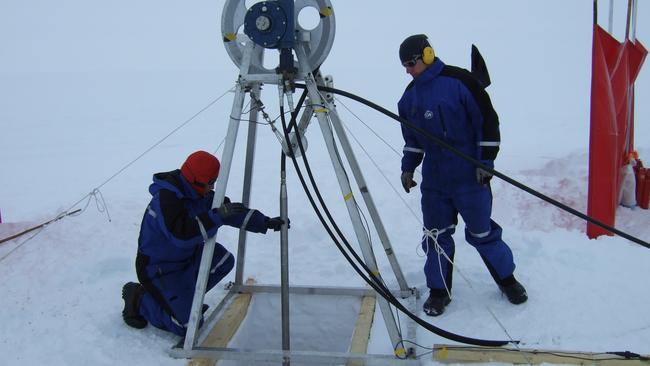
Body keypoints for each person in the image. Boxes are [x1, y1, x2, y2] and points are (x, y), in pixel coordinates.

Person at [397, 34, 527, 316]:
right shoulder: (409, 98)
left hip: (469, 176)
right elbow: (412, 139)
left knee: (482, 232)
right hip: (435, 181)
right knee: (435, 236)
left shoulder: (461, 82)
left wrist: (485, 161)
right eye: (404, 65)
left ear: (428, 55)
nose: (407, 69)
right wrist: (409, 167)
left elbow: (488, 122)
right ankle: (439, 291)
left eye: (411, 63)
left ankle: (508, 280)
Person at [121, 150, 286, 335]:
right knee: (188, 326)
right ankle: (139, 298)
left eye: (214, 182)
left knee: (223, 261)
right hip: (159, 269)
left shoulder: (199, 193)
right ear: (194, 179)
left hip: (187, 258)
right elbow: (181, 236)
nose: (212, 188)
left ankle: (185, 300)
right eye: (210, 183)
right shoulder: (167, 199)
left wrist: (264, 222)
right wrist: (215, 217)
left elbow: (230, 212)